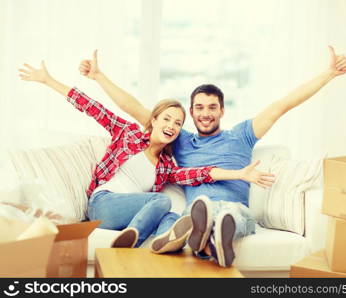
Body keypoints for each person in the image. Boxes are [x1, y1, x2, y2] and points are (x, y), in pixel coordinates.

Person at [78, 46, 346, 267]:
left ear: (222, 111)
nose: (205, 113)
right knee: (178, 218)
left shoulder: (242, 135)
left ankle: (213, 236)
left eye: (212, 107)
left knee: (229, 214)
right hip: (191, 212)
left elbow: (282, 105)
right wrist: (99, 77)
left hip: (234, 210)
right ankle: (207, 245)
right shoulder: (181, 140)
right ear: (192, 112)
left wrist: (328, 75)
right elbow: (136, 108)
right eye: (199, 108)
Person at [18, 61, 274, 249]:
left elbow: (201, 173)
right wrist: (48, 80)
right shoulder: (127, 133)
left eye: (177, 123)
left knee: (174, 216)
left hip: (130, 211)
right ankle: (132, 241)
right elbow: (90, 106)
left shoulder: (166, 167)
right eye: (167, 119)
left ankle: (164, 245)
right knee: (161, 202)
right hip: (104, 203)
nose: (172, 126)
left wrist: (240, 173)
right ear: (153, 120)